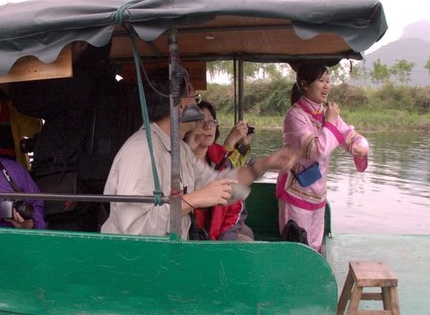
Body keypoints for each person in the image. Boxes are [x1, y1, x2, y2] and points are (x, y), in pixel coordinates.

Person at [100, 67, 296, 239]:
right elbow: (136, 230)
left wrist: (263, 165)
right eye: (194, 98)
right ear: (180, 105)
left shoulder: (180, 149)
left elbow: (219, 184)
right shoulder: (141, 152)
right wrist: (193, 199)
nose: (198, 107)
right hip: (135, 262)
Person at [276, 62, 369, 253]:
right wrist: (332, 122)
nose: (327, 86)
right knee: (297, 249)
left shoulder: (326, 114)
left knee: (316, 248)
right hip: (296, 193)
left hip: (318, 195)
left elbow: (348, 135)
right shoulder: (295, 116)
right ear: (305, 84)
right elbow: (316, 150)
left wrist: (360, 146)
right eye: (321, 81)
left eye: (328, 81)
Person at [183, 100, 250, 241]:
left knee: (246, 239)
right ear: (187, 127)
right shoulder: (178, 161)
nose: (207, 126)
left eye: (211, 121)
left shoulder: (222, 160)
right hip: (188, 237)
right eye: (200, 121)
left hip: (217, 237)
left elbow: (235, 208)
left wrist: (224, 242)